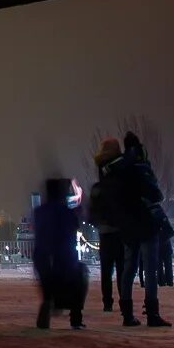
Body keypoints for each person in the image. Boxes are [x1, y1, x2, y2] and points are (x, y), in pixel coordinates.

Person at [113, 131, 172, 327]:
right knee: (150, 270)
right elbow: (156, 194)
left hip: (128, 226)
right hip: (146, 223)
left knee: (128, 270)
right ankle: (152, 314)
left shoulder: (119, 168)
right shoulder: (142, 167)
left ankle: (127, 314)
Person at [32, 177, 88, 330]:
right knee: (80, 277)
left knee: (49, 285)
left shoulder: (39, 212)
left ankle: (49, 301)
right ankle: (75, 318)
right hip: (62, 258)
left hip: (42, 258)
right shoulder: (65, 212)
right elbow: (72, 227)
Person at [87, 138, 125, 313]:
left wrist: (99, 222)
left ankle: (107, 303)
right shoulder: (120, 178)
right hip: (120, 230)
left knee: (106, 270)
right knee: (122, 270)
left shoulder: (99, 186)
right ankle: (125, 301)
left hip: (105, 231)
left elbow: (92, 211)